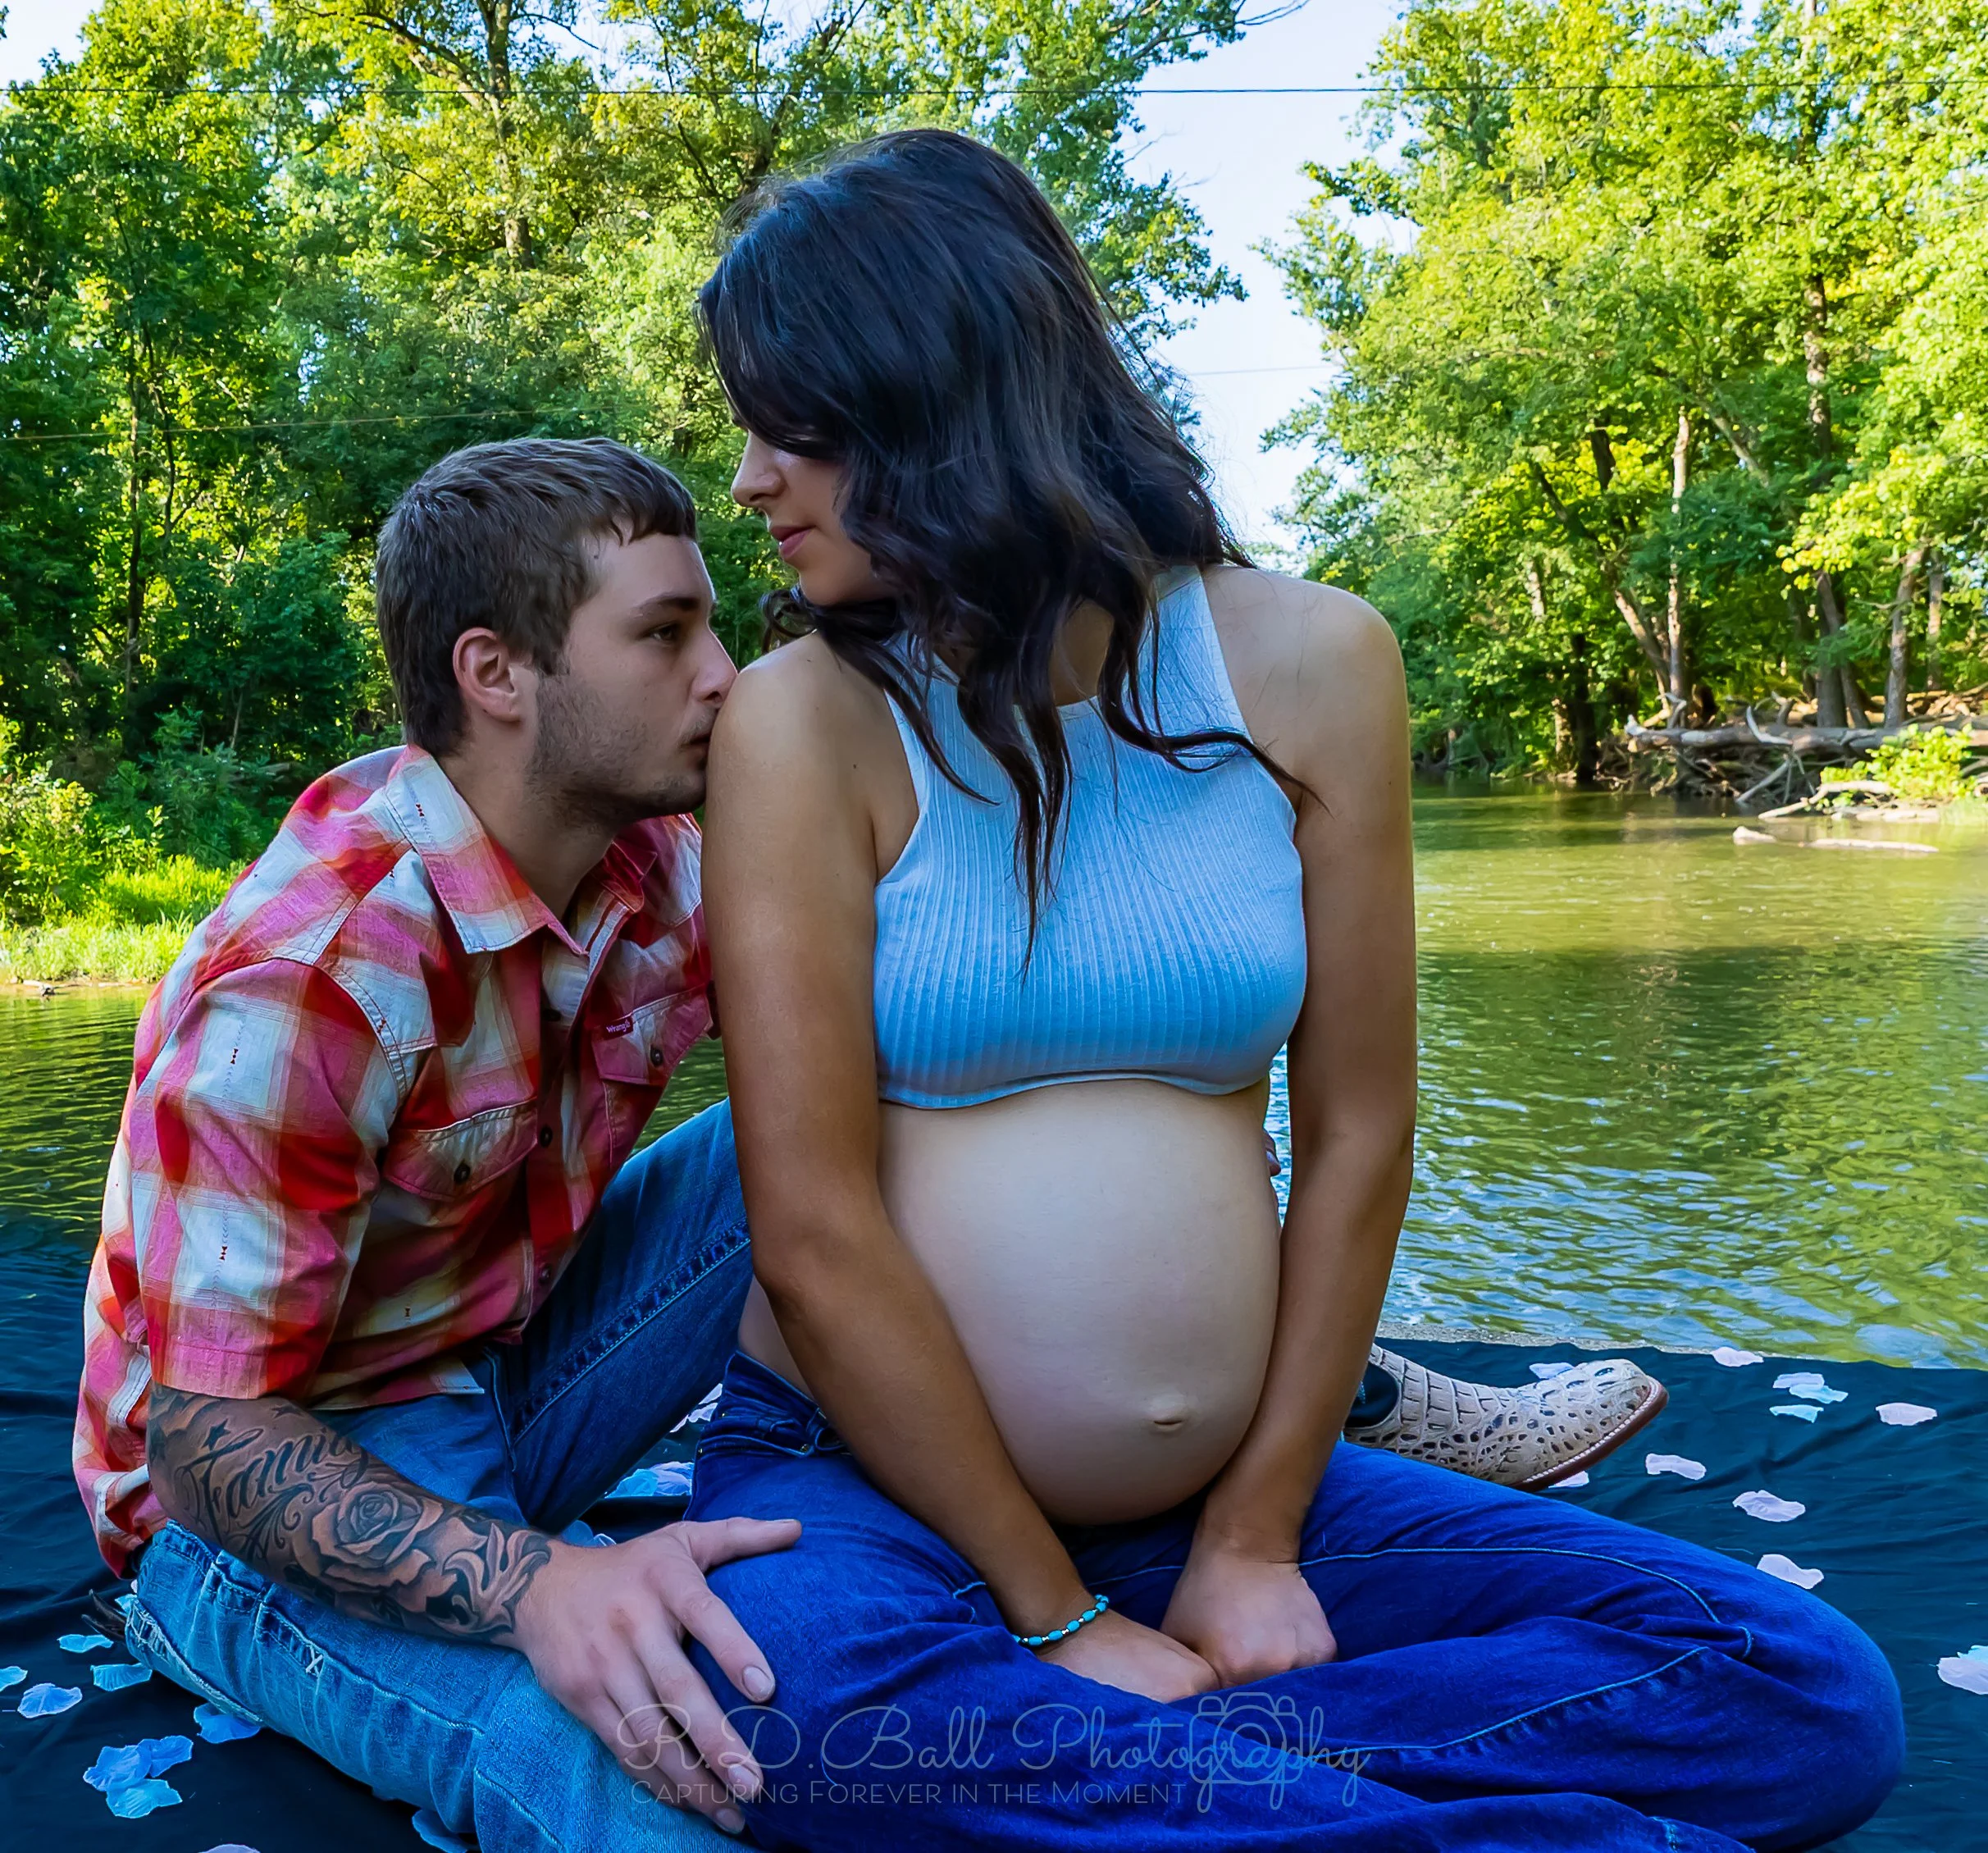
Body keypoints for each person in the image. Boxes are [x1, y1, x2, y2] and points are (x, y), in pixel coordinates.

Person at [71, 434, 1644, 1853]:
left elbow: (956, 1014)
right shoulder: (312, 982)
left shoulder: (655, 868)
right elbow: (207, 1443)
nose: (727, 676)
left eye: (717, 624)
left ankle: (1328, 1394)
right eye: (666, 635)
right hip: (248, 1501)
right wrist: (545, 1582)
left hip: (507, 1362)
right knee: (678, 1775)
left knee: (834, 1116)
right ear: (498, 673)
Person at [685, 129, 1906, 1851]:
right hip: (864, 1489)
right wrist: (1058, 1618)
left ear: (935, 397)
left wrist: (1253, 1536)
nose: (747, 478)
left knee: (1799, 1688)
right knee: (816, 1730)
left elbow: (1357, 1127)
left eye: (788, 422)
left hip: (1231, 1498)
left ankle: (1151, 1780)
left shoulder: (1315, 663)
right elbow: (811, 1232)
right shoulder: (802, 725)